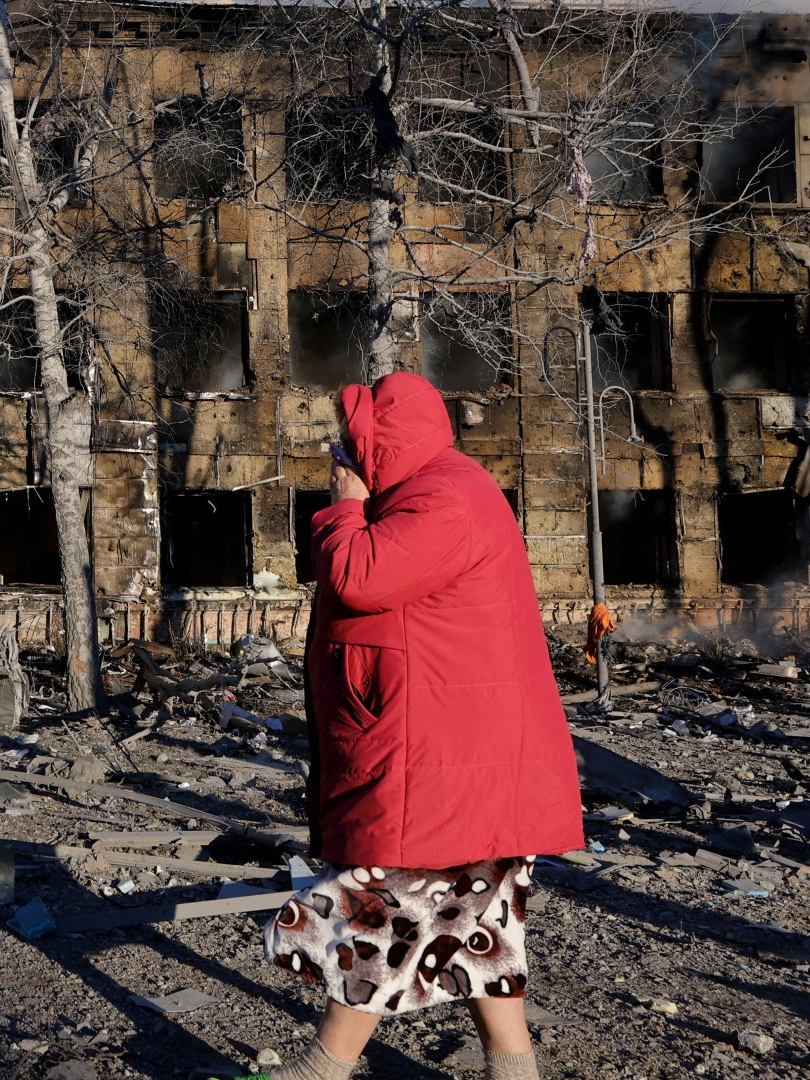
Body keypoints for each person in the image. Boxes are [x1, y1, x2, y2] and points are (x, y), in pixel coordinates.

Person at [245, 372, 584, 1080]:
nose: (339, 453)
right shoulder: (435, 490)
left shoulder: (443, 500)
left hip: (440, 763)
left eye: (350, 442)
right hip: (456, 756)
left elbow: (357, 576)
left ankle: (320, 1071)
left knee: (379, 915)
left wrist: (345, 505)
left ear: (381, 443)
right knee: (481, 928)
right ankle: (515, 1071)